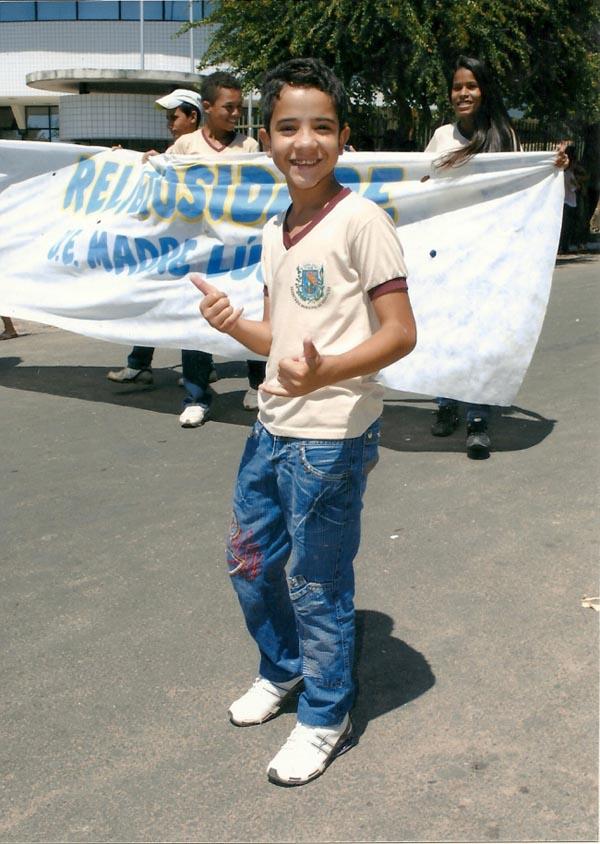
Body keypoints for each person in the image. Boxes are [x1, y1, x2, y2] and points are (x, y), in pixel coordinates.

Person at [190, 58, 416, 786]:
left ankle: (325, 714)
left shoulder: (362, 219)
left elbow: (400, 332)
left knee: (317, 585)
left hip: (332, 438)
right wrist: (235, 325)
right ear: (266, 138)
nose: (305, 141)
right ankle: (282, 669)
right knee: (250, 564)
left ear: (344, 136)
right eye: (289, 126)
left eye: (322, 126)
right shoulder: (273, 230)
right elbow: (278, 340)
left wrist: (327, 372)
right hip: (271, 425)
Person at [425, 55, 567, 459]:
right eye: (457, 87)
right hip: (445, 255)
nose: (463, 93)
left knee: (480, 337)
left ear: (484, 90)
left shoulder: (503, 137)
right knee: (446, 332)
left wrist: (551, 166)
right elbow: (420, 183)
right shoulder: (440, 137)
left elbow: (522, 186)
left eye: (471, 85)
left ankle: (477, 418)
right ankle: (445, 404)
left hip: (488, 256)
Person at [106, 88, 220, 428]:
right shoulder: (175, 152)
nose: (170, 123)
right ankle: (141, 362)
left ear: (193, 117)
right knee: (155, 294)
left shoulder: (215, 150)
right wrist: (123, 161)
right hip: (175, 246)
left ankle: (197, 378)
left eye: (175, 116)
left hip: (204, 248)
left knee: (194, 312)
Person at [171, 71, 267, 412]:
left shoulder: (249, 147)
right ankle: (196, 396)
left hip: (242, 250)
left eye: (239, 107)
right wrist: (144, 161)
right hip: (201, 250)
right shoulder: (185, 146)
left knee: (250, 311)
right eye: (229, 107)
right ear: (208, 107)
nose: (236, 114)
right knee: (197, 319)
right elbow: (163, 180)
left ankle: (258, 383)